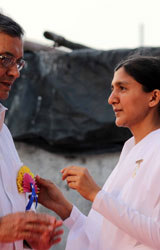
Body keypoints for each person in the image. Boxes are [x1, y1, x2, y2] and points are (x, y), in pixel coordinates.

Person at [0, 3, 63, 250]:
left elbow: (5, 216)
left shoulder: (0, 129)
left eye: (18, 62)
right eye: (5, 59)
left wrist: (27, 239)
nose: (15, 73)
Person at [36, 55, 160, 250]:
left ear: (153, 97)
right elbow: (109, 237)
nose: (111, 99)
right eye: (112, 89)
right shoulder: (130, 149)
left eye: (123, 88)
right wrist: (65, 209)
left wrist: (96, 194)